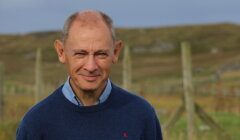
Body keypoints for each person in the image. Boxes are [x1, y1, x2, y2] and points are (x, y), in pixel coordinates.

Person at [16, 9, 163, 140]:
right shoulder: (36, 123)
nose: (91, 66)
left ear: (116, 52)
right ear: (61, 52)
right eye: (81, 54)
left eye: (101, 54)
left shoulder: (141, 115)